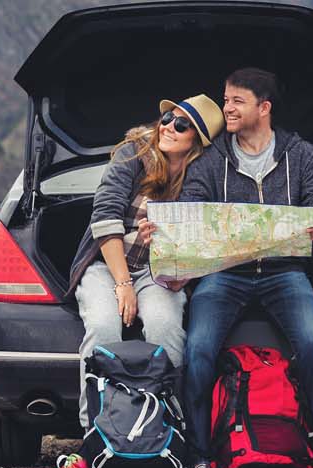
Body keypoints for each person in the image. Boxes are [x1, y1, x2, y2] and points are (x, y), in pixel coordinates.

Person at [176, 68, 313, 468]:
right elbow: (191, 205)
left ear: (263, 108)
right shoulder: (212, 157)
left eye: (236, 101)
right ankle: (198, 457)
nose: (227, 108)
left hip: (284, 273)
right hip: (224, 274)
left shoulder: (300, 155)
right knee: (197, 351)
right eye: (225, 99)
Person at [66, 94, 225, 436]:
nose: (167, 126)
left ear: (196, 141)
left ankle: (172, 427)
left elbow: (204, 239)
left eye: (181, 125)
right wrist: (123, 285)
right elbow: (105, 216)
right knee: (104, 327)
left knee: (164, 326)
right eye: (167, 117)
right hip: (105, 265)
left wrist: (172, 252)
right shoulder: (134, 152)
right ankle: (93, 430)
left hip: (157, 271)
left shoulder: (202, 176)